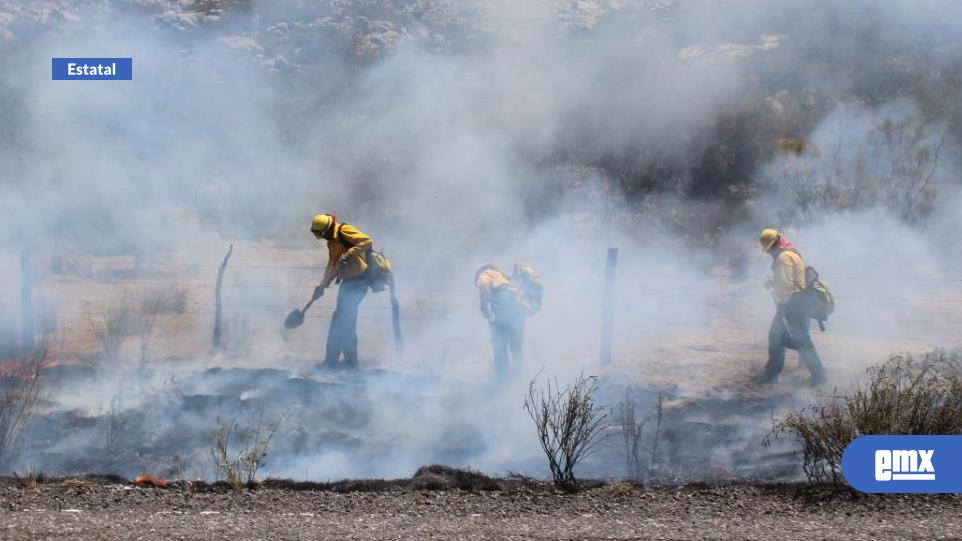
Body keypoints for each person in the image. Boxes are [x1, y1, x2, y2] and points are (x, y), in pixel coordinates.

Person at [758, 228, 826, 386]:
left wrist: (784, 306)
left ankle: (819, 376)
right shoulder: (790, 253)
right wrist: (773, 282)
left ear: (773, 245)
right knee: (776, 337)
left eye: (768, 250)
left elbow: (788, 286)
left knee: (801, 341)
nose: (768, 254)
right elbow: (788, 280)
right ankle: (772, 374)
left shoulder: (784, 257)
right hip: (795, 302)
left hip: (793, 303)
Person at [310, 213, 373, 370]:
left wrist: (349, 253)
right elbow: (332, 265)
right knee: (343, 321)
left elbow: (367, 241)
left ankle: (342, 363)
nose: (322, 238)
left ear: (328, 229)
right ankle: (341, 362)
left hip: (359, 281)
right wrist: (322, 286)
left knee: (343, 320)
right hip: (348, 283)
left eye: (322, 235)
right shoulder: (331, 242)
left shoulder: (344, 231)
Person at [476, 264, 527, 384]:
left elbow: (483, 286)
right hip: (519, 311)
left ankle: (501, 381)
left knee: (499, 347)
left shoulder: (485, 275)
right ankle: (518, 380)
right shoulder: (504, 278)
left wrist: (485, 309)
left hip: (503, 310)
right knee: (516, 348)